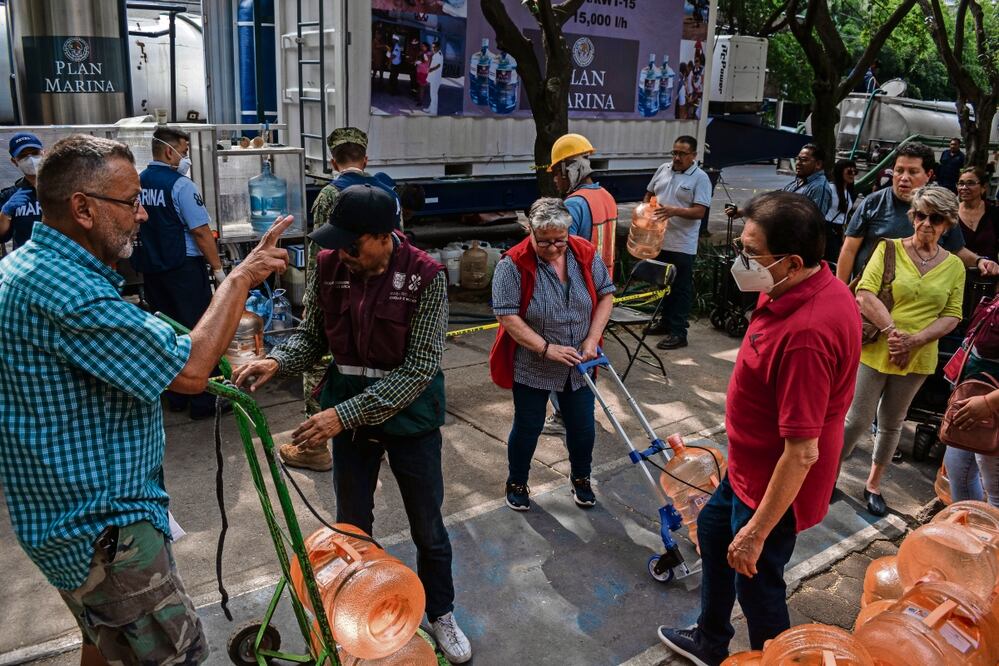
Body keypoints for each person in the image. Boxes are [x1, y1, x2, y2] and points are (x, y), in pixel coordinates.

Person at [0, 134, 291, 666]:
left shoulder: (23, 267)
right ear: (82, 208)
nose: (142, 215)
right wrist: (243, 275)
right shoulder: (69, 291)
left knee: (104, 642)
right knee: (167, 655)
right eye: (129, 202)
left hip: (58, 522)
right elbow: (190, 371)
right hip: (104, 535)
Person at [231, 185, 473, 664]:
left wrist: (342, 414)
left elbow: (419, 369)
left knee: (428, 527)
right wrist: (277, 362)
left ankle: (441, 612)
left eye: (352, 245)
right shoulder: (329, 266)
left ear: (385, 236)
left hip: (410, 421)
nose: (342, 254)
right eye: (336, 244)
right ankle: (353, 616)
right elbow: (312, 337)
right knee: (351, 528)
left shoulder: (426, 277)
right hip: (350, 426)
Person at [656, 191, 862, 666]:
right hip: (746, 468)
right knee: (710, 531)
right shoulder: (795, 289)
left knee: (758, 583)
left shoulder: (807, 334)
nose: (741, 260)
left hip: (773, 485)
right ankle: (710, 639)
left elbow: (802, 453)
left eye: (751, 253)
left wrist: (755, 532)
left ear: (792, 260)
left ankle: (776, 658)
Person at [840, 186, 966, 517]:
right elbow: (865, 293)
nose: (926, 223)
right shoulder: (889, 249)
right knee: (856, 420)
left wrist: (915, 340)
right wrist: (893, 333)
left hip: (919, 356)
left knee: (893, 422)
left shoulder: (953, 266)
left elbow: (952, 314)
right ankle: (827, 475)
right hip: (878, 347)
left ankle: (873, 485)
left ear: (947, 224)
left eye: (935, 218)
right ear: (912, 217)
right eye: (920, 215)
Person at [489, 197, 615, 511]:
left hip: (579, 362)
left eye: (560, 240)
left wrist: (591, 340)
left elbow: (606, 296)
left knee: (583, 426)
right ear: (530, 231)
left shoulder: (583, 251)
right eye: (544, 242)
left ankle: (581, 478)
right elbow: (507, 316)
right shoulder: (513, 263)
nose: (554, 248)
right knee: (528, 426)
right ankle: (517, 481)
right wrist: (546, 348)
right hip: (533, 361)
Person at [294, 126, 402, 467]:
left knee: (319, 362)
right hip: (381, 292)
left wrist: (314, 296)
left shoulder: (329, 195)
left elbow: (321, 252)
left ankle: (314, 447)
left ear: (332, 161)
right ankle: (375, 430)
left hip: (338, 290)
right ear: (365, 158)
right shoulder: (386, 189)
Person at [131, 126, 226, 420]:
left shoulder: (138, 182)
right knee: (199, 333)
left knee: (167, 333)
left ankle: (176, 397)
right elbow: (200, 232)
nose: (185, 158)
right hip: (184, 269)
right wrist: (219, 270)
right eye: (184, 152)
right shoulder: (181, 185)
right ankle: (204, 403)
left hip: (153, 268)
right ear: (170, 151)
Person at [836, 142, 999, 282]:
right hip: (868, 297)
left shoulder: (940, 206)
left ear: (928, 175)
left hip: (917, 300)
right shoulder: (872, 203)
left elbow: (956, 249)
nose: (904, 177)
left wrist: (979, 261)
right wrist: (841, 293)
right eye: (899, 170)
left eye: (913, 172)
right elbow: (849, 249)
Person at [543, 133, 618, 435]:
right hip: (601, 291)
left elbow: (556, 252)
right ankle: (582, 409)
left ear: (568, 169)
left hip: (576, 294)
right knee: (589, 352)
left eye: (557, 175)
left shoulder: (574, 205)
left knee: (563, 357)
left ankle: (565, 416)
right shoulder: (606, 197)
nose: (557, 182)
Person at [644, 135, 713, 350]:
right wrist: (646, 209)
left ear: (693, 155)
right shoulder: (663, 169)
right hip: (658, 240)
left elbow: (700, 212)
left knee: (680, 289)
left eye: (682, 154)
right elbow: (648, 194)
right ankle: (664, 323)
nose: (677, 157)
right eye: (674, 152)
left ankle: (678, 332)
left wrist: (673, 211)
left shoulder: (700, 178)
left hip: (682, 244)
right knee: (663, 285)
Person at [943, 290, 999, 508]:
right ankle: (974, 534)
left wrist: (988, 403)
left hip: (989, 407)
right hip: (973, 402)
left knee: (995, 491)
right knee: (958, 470)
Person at [0, 132, 45, 256]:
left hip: (60, 260)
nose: (30, 159)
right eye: (23, 156)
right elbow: (1, 236)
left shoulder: (64, 189)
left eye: (35, 153)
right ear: (14, 161)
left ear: (44, 153)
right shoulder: (9, 196)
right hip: (25, 263)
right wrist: (5, 213)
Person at [956, 166, 998, 261]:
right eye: (961, 183)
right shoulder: (951, 214)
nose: (964, 188)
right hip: (958, 272)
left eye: (970, 183)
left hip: (990, 272)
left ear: (984, 187)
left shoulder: (994, 213)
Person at [826, 159, 858, 262]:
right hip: (828, 229)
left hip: (840, 231)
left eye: (855, 172)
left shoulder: (848, 192)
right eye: (849, 171)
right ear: (840, 172)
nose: (852, 174)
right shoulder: (829, 188)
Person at [424, 40, 444, 115]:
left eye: (434, 47)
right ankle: (430, 108)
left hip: (436, 78)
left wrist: (431, 69)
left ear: (439, 47)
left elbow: (438, 65)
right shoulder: (436, 54)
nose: (433, 48)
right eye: (432, 47)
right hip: (433, 77)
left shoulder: (439, 55)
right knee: (432, 95)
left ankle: (434, 112)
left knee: (434, 95)